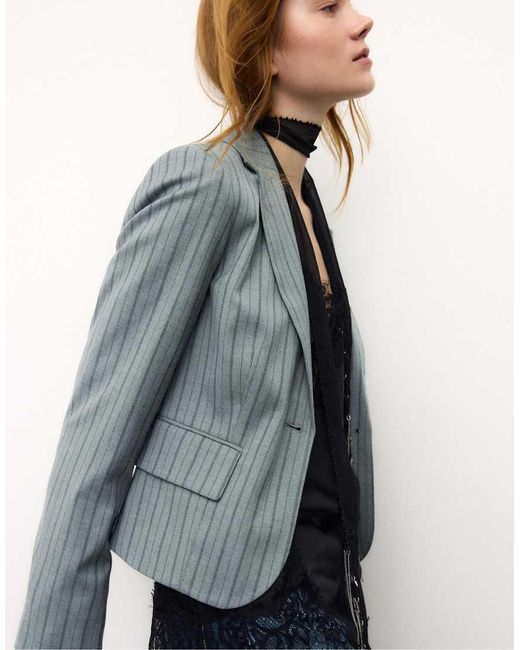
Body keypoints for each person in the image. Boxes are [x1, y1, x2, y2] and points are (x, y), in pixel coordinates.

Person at [15, 1, 375, 648]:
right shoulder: (204, 183)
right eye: (327, 6)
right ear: (264, 46)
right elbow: (96, 442)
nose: (360, 20)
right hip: (228, 615)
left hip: (328, 594)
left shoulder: (302, 199)